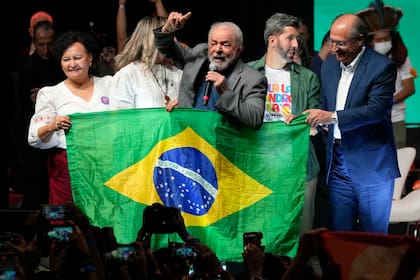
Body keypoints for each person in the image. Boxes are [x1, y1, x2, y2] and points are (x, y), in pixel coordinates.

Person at [303, 13, 400, 233]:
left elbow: (376, 111)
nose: (334, 48)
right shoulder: (329, 66)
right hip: (337, 165)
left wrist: (332, 117)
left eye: (341, 43)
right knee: (341, 237)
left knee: (373, 240)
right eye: (331, 41)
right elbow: (324, 104)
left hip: (370, 166)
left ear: (360, 40)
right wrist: (307, 119)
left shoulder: (382, 67)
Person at [247, 13, 320, 235]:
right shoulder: (247, 72)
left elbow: (315, 121)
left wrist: (303, 120)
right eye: (290, 38)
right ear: (272, 40)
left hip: (299, 166)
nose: (296, 45)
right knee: (261, 231)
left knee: (300, 233)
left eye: (298, 39)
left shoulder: (308, 78)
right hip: (259, 165)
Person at [27, 31, 112, 205]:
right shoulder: (51, 93)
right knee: (67, 225)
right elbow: (34, 137)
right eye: (66, 59)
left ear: (90, 58)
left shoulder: (110, 84)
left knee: (106, 222)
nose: (72, 64)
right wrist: (52, 126)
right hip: (67, 170)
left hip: (107, 165)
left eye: (77, 58)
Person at [154, 11, 267, 130]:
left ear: (239, 50)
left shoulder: (253, 78)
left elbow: (255, 119)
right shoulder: (198, 57)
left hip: (220, 145)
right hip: (188, 140)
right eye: (213, 44)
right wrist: (168, 28)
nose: (218, 49)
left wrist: (225, 92)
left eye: (225, 45)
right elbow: (166, 47)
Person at [14, 20, 65, 209]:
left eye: (49, 43)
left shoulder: (62, 64)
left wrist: (45, 93)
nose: (45, 48)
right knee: (34, 187)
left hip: (59, 136)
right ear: (34, 41)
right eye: (40, 44)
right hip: (34, 136)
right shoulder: (25, 67)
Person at [357, 3, 416, 148]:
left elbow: (409, 88)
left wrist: (387, 102)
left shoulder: (401, 58)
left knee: (397, 159)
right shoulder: (361, 60)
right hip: (369, 120)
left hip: (395, 118)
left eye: (386, 39)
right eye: (379, 40)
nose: (384, 43)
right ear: (370, 42)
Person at [110, 15, 182, 109]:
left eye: (173, 35)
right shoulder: (128, 75)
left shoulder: (177, 73)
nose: (175, 40)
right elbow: (122, 119)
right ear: (153, 39)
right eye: (168, 35)